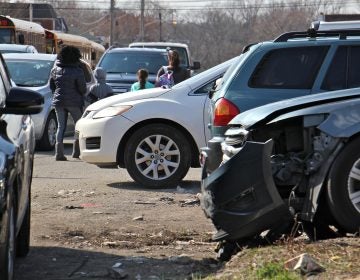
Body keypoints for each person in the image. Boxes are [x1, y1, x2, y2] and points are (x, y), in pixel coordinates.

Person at [50, 46, 87, 161]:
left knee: (61, 127)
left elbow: (52, 86)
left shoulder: (55, 69)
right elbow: (82, 89)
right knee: (79, 126)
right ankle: (76, 152)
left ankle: (58, 154)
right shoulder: (78, 71)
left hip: (59, 102)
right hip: (74, 103)